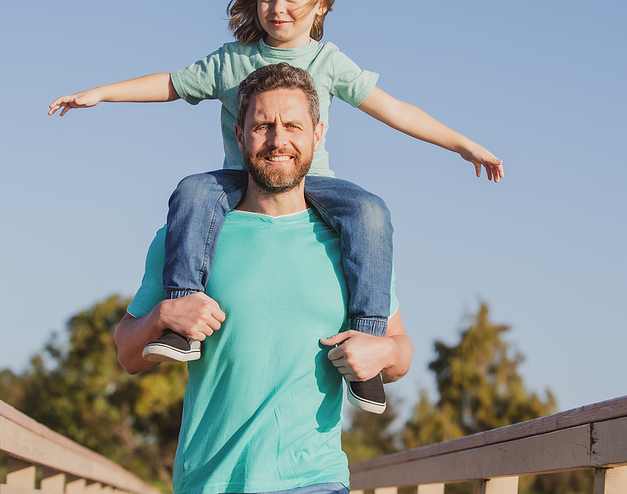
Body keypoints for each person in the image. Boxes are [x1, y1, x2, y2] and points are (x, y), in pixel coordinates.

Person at [50, 0, 503, 414]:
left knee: (371, 211)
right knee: (193, 191)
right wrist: (100, 93)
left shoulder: (328, 61)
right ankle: (182, 318)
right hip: (240, 180)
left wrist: (462, 144)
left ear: (320, 5)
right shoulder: (232, 61)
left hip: (315, 183)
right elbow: (169, 84)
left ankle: (366, 346)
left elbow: (395, 110)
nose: (278, 9)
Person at [114, 63, 413, 494]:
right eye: (262, 126)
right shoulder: (186, 238)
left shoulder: (357, 247)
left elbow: (401, 353)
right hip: (208, 482)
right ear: (239, 135)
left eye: (293, 125)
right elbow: (127, 353)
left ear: (318, 134)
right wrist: (162, 315)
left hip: (316, 480)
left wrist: (382, 350)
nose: (278, 140)